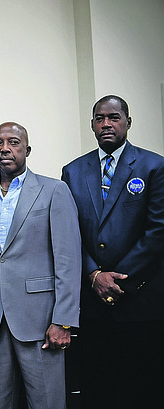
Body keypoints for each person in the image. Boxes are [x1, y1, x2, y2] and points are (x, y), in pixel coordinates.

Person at [0, 122, 81, 409]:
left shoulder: (54, 190)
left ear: (27, 149)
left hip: (41, 320)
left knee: (47, 402)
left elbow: (68, 260)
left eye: (13, 142)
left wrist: (63, 320)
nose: (5, 148)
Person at [61, 95, 164, 409]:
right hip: (92, 306)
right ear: (92, 124)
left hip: (139, 300)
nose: (106, 124)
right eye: (99, 118)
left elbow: (157, 231)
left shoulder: (154, 166)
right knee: (98, 387)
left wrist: (118, 281)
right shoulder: (73, 171)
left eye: (114, 117)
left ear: (128, 122)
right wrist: (93, 275)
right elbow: (69, 233)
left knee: (144, 388)